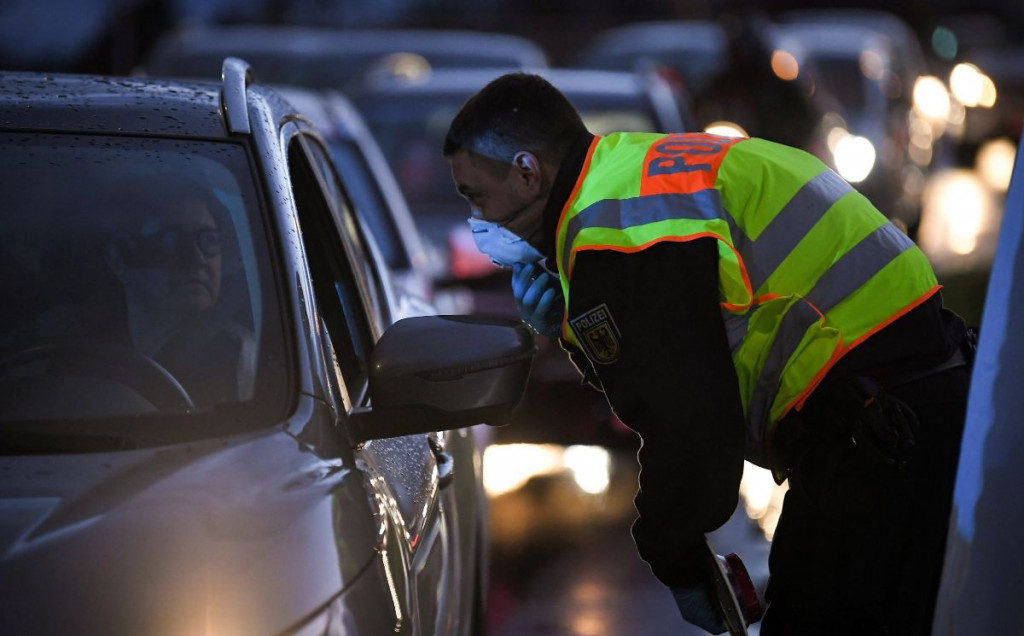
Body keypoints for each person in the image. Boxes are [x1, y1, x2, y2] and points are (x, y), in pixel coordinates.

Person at [443, 72, 972, 635]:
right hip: (916, 401)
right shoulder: (626, 175)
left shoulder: (612, 234)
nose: (476, 220)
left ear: (527, 172)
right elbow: (666, 357)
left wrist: (675, 558)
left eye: (475, 195)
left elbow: (685, 421)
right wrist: (572, 318)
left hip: (882, 430)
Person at [101, 176, 255, 407]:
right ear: (119, 260)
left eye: (209, 240)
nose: (196, 259)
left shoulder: (246, 357)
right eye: (170, 241)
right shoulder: (69, 340)